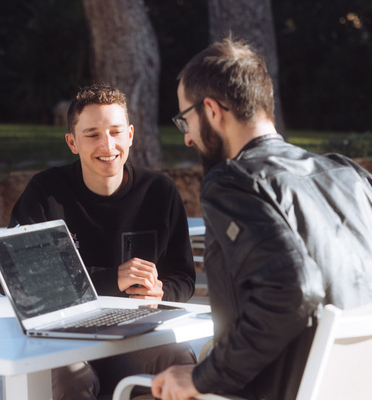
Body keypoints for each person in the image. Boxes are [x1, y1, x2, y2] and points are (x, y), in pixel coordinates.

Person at [151, 37, 372, 400]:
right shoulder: (348, 175)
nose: (188, 138)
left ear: (211, 111)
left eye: (184, 120)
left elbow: (290, 289)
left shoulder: (232, 182)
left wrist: (204, 377)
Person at [3, 83, 196, 399]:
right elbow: (15, 279)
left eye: (116, 132)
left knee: (180, 361)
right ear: (72, 142)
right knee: (72, 379)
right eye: (92, 134)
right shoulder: (45, 192)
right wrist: (111, 279)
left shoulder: (160, 192)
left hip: (133, 336)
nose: (108, 144)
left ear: (130, 135)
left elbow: (183, 277)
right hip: (64, 339)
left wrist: (161, 292)